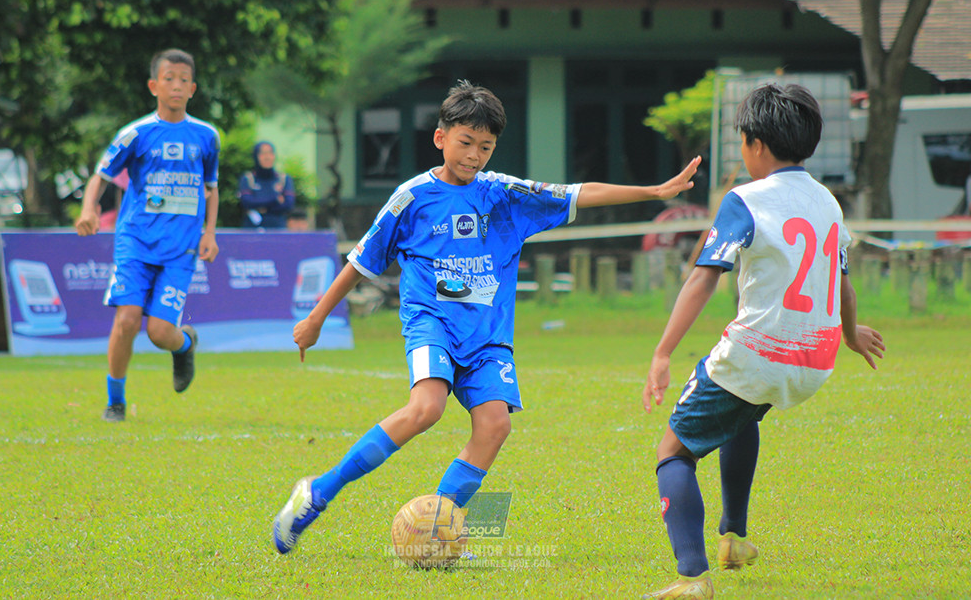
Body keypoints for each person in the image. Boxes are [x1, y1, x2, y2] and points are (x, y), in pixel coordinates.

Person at [271, 79, 703, 554]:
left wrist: (653, 190)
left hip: (488, 337)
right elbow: (361, 260)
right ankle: (318, 492)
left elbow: (577, 193)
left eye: (486, 147)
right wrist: (316, 318)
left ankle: (437, 524)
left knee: (495, 426)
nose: (475, 155)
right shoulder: (411, 199)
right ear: (440, 137)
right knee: (426, 409)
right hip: (431, 321)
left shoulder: (505, 195)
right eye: (466, 143)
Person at [641, 84, 886, 599]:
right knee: (742, 413)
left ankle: (691, 578)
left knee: (673, 454)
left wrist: (663, 352)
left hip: (761, 352)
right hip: (814, 359)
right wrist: (851, 331)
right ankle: (734, 537)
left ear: (754, 144)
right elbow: (841, 278)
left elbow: (704, 277)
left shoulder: (744, 200)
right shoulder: (828, 203)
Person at [75, 48, 221, 423]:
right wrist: (89, 208)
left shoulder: (206, 136)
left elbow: (211, 187)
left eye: (184, 80)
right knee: (126, 320)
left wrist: (210, 233)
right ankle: (115, 402)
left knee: (159, 332)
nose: (176, 86)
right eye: (169, 79)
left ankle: (184, 344)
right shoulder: (135, 134)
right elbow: (101, 176)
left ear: (193, 89)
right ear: (154, 85)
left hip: (182, 248)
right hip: (136, 242)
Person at [238, 141, 295, 229]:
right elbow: (247, 202)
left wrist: (261, 206)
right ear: (256, 156)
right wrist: (275, 200)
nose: (267, 157)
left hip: (277, 228)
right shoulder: (248, 179)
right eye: (263, 153)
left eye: (270, 153)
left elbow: (288, 204)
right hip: (252, 228)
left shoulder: (284, 179)